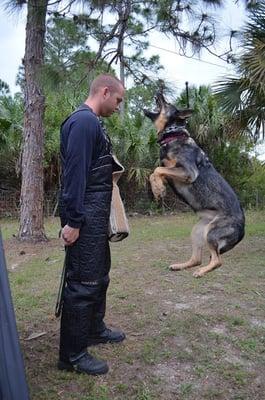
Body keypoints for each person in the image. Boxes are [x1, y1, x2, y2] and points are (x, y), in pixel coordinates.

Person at [58, 74, 126, 375]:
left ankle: (94, 330)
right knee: (83, 283)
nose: (118, 107)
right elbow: (74, 175)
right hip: (83, 216)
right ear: (105, 91)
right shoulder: (84, 123)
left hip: (96, 216)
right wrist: (73, 221)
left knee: (99, 276)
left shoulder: (92, 123)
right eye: (118, 101)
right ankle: (72, 356)